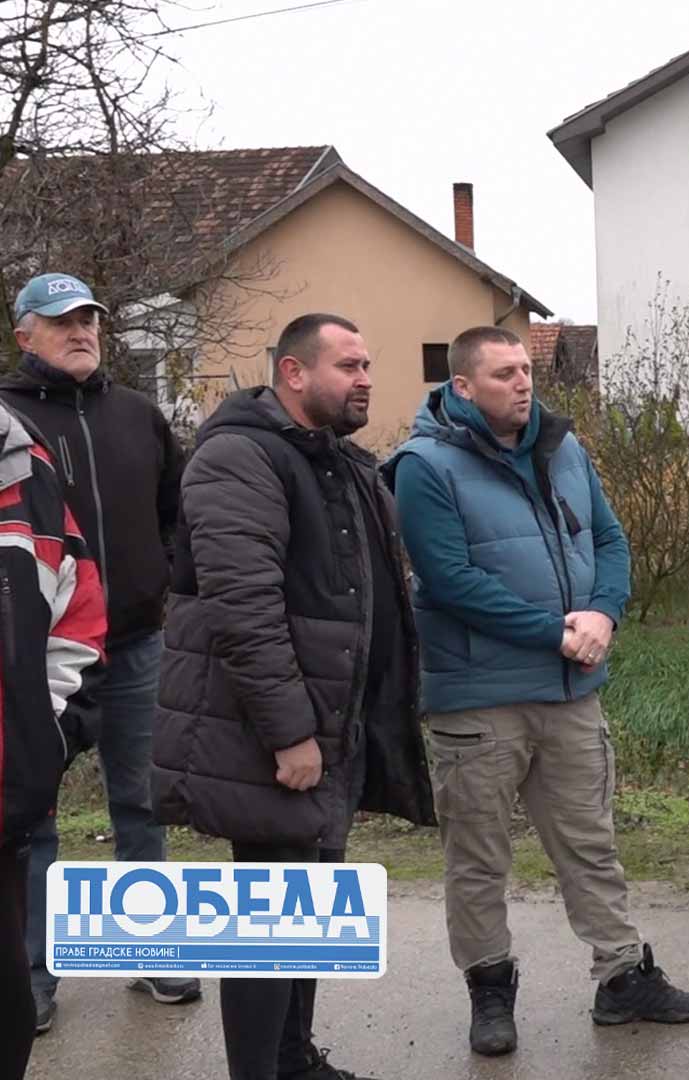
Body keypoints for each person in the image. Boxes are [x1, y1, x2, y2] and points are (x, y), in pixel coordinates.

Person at [387, 326, 689, 1056]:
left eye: (524, 370)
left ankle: (623, 977)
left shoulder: (564, 448)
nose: (522, 382)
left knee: (591, 844)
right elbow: (447, 579)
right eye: (503, 374)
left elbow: (609, 540)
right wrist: (554, 633)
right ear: (462, 387)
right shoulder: (423, 466)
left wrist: (604, 613)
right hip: (479, 699)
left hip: (570, 692)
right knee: (478, 858)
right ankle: (489, 989)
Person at [151, 313, 436, 1080]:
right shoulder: (238, 456)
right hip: (269, 731)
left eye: (368, 364)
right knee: (265, 920)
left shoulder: (338, 461)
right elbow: (243, 607)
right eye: (348, 365)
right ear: (293, 373)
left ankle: (293, 1059)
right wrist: (289, 734)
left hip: (333, 724)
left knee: (307, 909)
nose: (365, 378)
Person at [0, 273, 194, 1030]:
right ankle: (32, 977)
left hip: (137, 644)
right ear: (24, 334)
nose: (81, 331)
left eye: (89, 319)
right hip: (37, 652)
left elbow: (177, 512)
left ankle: (151, 953)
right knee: (32, 813)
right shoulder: (8, 418)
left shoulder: (139, 415)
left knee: (141, 803)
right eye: (62, 321)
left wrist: (163, 577)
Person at [0, 400, 106, 1080]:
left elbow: (77, 617)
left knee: (8, 1015)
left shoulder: (25, 470)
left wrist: (42, 734)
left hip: (4, 802)